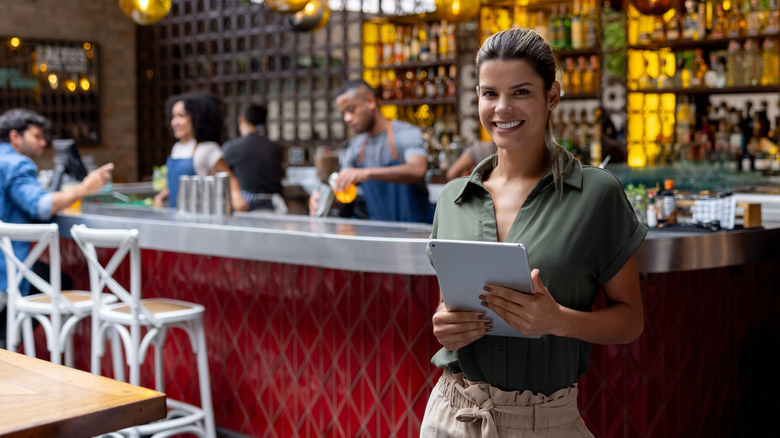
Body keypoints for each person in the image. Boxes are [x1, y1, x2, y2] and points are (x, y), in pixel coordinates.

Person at [420, 28, 647, 437]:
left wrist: (558, 320)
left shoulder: (596, 194)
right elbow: (447, 308)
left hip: (545, 421)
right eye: (489, 93)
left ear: (553, 96)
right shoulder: (454, 198)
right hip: (452, 414)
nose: (502, 108)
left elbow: (630, 322)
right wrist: (445, 326)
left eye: (521, 92)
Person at [0, 108, 114, 346]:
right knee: (59, 283)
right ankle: (9, 338)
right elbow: (41, 206)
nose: (43, 143)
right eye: (36, 136)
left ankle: (10, 337)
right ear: (15, 137)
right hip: (5, 273)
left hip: (6, 267)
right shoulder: (17, 163)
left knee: (55, 280)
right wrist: (84, 188)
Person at [308, 79, 433, 223]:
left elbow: (417, 169)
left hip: (417, 231)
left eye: (351, 110)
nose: (347, 118)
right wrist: (322, 195)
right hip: (380, 230)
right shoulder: (356, 146)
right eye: (343, 113)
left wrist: (365, 173)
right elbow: (341, 184)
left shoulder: (406, 133)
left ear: (370, 102)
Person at [153, 92, 248, 212]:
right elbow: (178, 185)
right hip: (175, 214)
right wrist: (161, 197)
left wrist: (235, 196)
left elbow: (230, 178)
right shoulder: (176, 148)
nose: (175, 122)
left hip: (198, 215)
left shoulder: (208, 149)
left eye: (181, 116)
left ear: (197, 117)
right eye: (173, 117)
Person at [222, 104, 284, 212]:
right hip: (273, 208)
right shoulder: (275, 148)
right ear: (264, 124)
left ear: (242, 120)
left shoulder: (231, 148)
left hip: (243, 207)